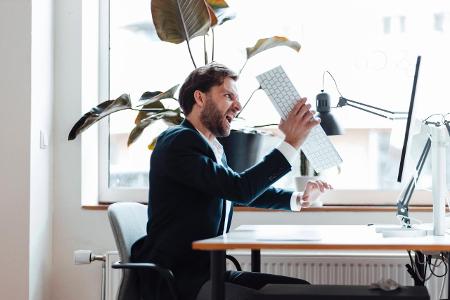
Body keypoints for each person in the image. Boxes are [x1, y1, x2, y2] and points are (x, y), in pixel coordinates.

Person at [131, 63, 332, 300]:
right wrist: (291, 142)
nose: (237, 106)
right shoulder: (178, 142)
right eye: (228, 96)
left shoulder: (212, 147)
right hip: (179, 281)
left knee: (300, 289)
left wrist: (297, 198)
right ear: (200, 98)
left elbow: (235, 187)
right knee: (290, 296)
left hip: (208, 274)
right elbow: (239, 189)